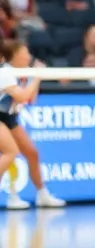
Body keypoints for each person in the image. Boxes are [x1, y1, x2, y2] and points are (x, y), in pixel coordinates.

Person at [0, 41, 64, 210]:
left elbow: (30, 100)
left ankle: (42, 195)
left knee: (32, 153)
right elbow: (21, 97)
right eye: (24, 52)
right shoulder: (6, 72)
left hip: (9, 117)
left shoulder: (24, 73)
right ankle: (12, 196)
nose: (28, 56)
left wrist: (34, 77)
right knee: (10, 152)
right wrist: (37, 77)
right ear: (14, 55)